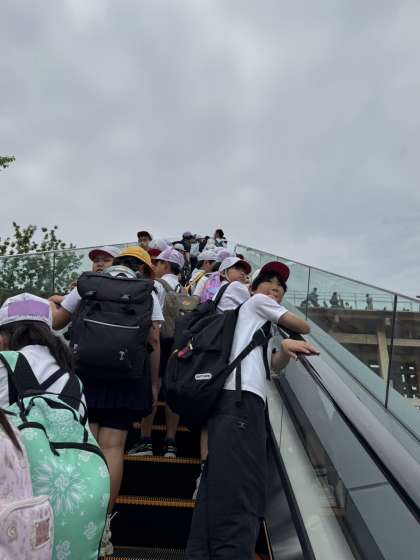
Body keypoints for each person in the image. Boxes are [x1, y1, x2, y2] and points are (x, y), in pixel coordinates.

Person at [186, 263, 317, 559]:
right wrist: (292, 330)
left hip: (234, 403)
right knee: (242, 489)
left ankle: (202, 553)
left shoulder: (255, 324)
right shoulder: (257, 303)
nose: (276, 288)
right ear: (252, 288)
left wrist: (284, 349)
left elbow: (272, 365)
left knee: (219, 485)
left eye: (281, 286)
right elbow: (304, 326)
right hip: (240, 403)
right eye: (268, 281)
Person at [49, 246, 163, 555]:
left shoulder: (88, 284)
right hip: (127, 376)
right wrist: (154, 383)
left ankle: (72, 517)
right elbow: (154, 337)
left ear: (113, 263)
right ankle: (102, 527)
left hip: (86, 372)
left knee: (83, 445)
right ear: (141, 269)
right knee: (112, 447)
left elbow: (57, 323)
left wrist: (52, 302)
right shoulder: (146, 291)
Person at [129, 247, 184, 458]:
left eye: (157, 262)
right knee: (172, 392)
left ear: (165, 265)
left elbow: (154, 322)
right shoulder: (184, 288)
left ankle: (145, 440)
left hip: (159, 341)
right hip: (179, 343)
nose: (153, 266)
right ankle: (171, 443)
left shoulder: (156, 285)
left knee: (154, 387)